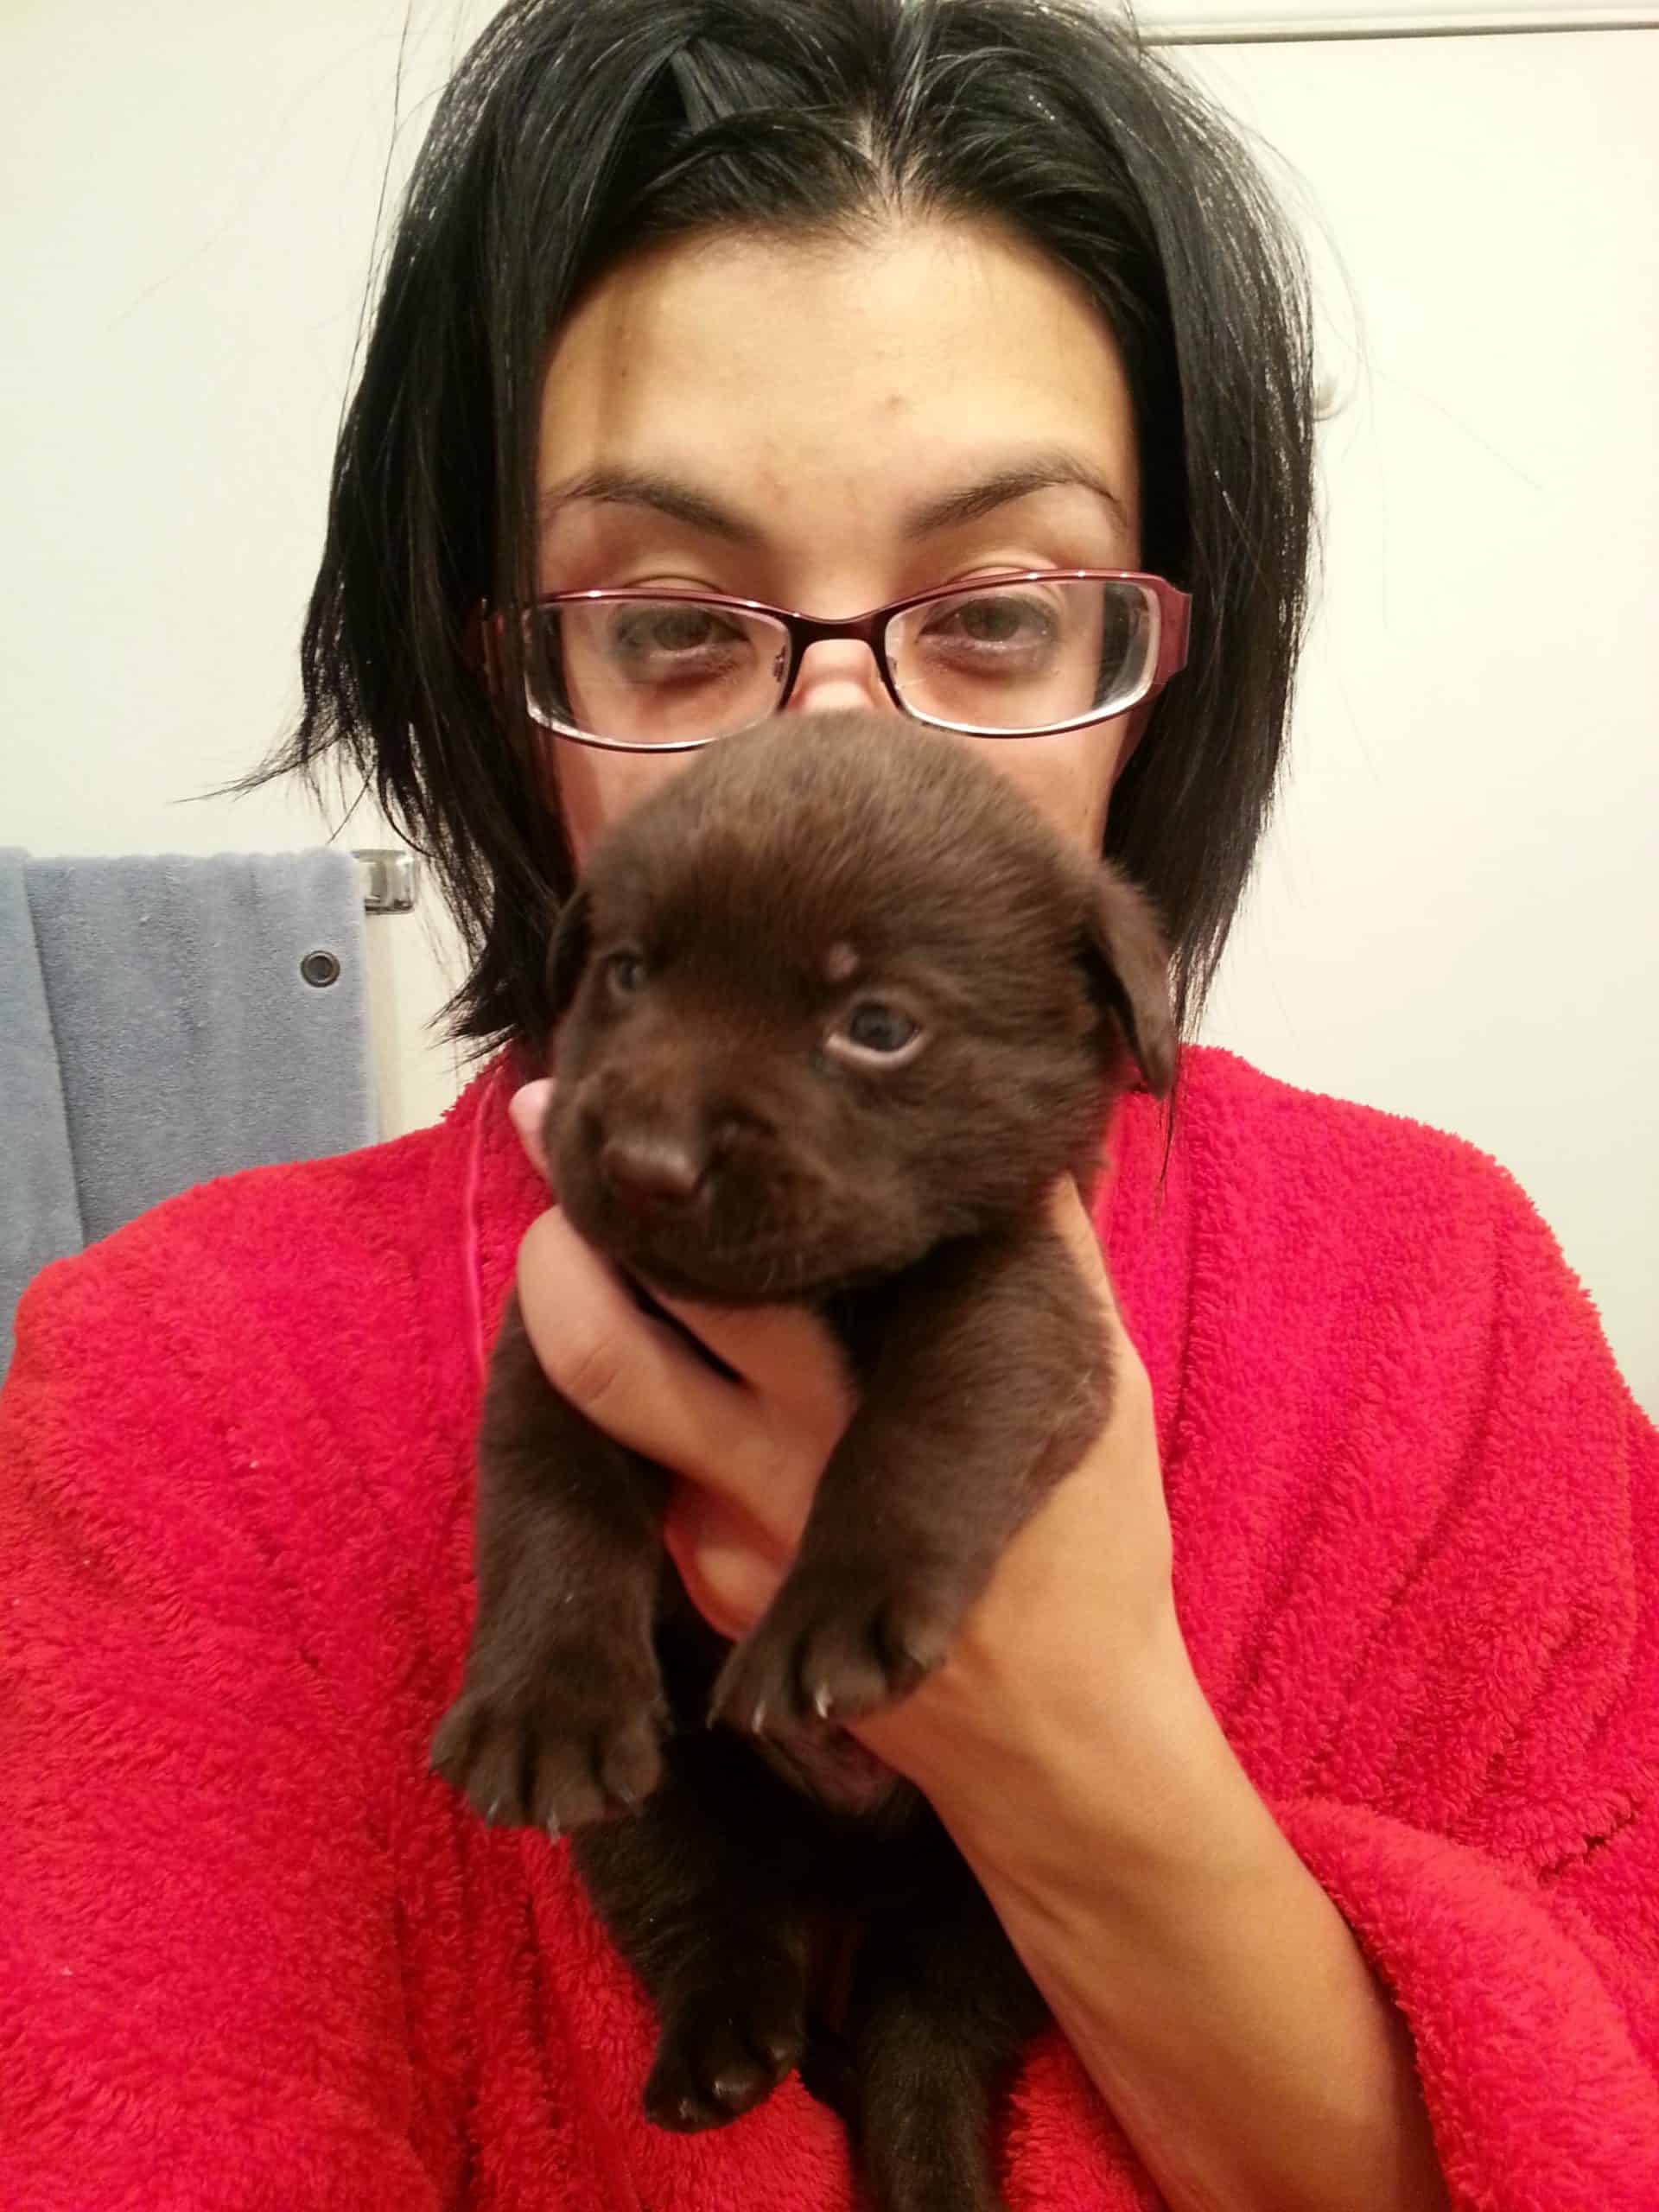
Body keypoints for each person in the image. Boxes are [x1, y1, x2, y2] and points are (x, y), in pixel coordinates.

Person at [3, 3, 1655, 2208]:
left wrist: (1080, 1775)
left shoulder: (1445, 1310)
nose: (837, 749)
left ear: (1164, 649)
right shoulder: (170, 1379)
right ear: (508, 675)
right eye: (675, 622)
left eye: (991, 607)